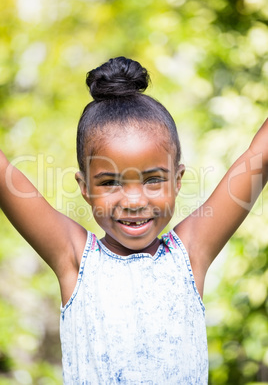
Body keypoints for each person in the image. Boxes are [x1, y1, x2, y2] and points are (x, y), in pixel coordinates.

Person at [0, 56, 267, 384]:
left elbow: (260, 155)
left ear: (178, 181)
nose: (134, 201)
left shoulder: (190, 254)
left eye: (153, 179)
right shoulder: (74, 258)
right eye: (110, 182)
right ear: (85, 188)